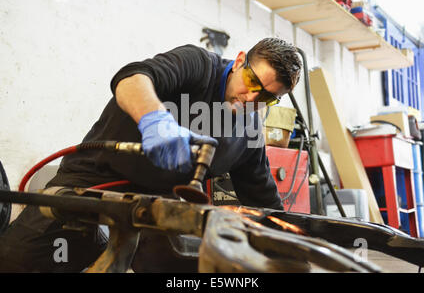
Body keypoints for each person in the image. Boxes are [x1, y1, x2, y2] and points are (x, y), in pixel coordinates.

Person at [0, 37, 302, 272]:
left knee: (178, 270)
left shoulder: (249, 128)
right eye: (252, 83)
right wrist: (155, 120)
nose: (251, 97)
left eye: (265, 97)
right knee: (14, 262)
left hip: (155, 208)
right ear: (239, 61)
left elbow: (262, 197)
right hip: (93, 183)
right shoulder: (198, 64)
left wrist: (298, 241)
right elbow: (133, 77)